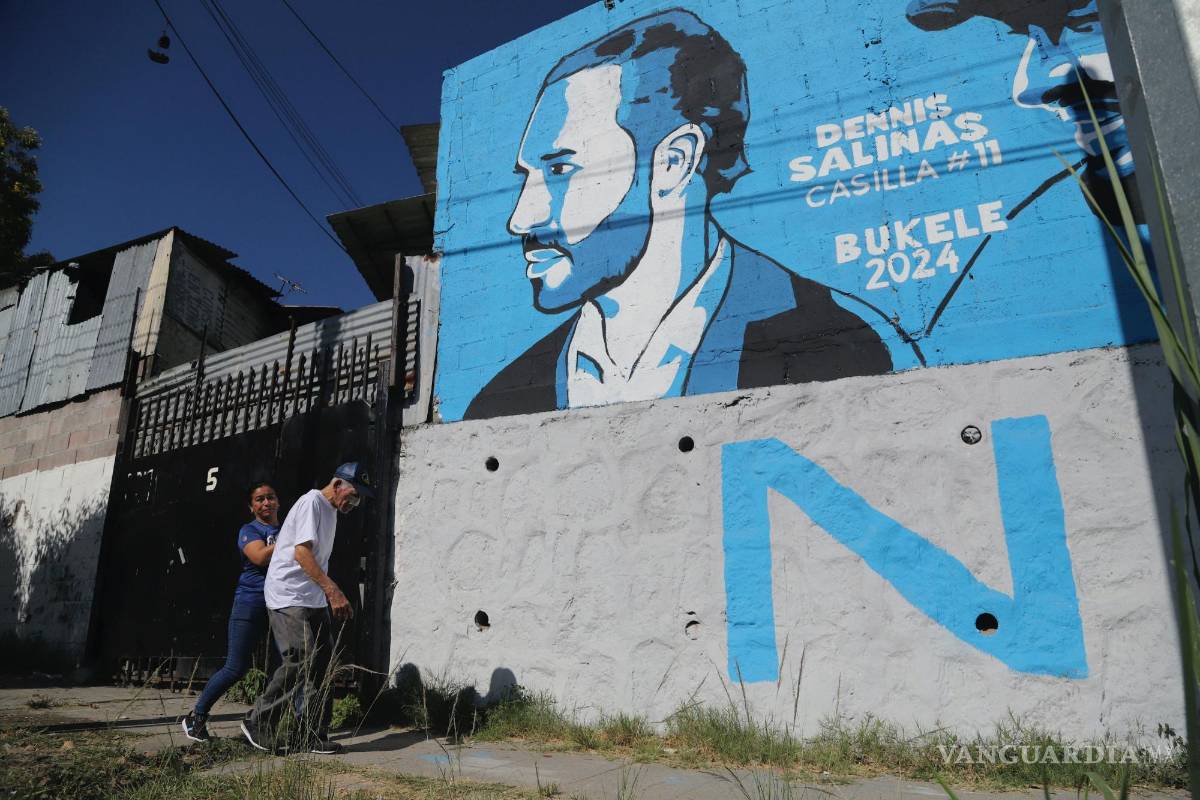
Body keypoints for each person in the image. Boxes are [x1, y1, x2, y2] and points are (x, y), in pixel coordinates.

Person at [465, 9, 900, 421]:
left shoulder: (838, 339)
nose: (521, 219)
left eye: (560, 170)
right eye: (528, 175)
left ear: (674, 162)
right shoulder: (496, 404)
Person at [239, 462, 373, 755]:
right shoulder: (312, 502)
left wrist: (323, 594)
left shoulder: (332, 511)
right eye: (353, 494)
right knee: (301, 658)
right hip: (288, 595)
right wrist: (333, 590)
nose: (355, 502)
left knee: (322, 664)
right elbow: (302, 553)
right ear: (338, 485)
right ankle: (258, 720)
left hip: (310, 598)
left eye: (360, 498)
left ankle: (310, 734)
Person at [181, 481, 281, 742]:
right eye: (259, 499)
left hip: (281, 602)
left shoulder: (285, 530)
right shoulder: (249, 530)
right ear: (252, 506)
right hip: (250, 601)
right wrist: (292, 541)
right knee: (236, 667)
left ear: (278, 502)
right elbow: (259, 557)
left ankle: (261, 720)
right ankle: (196, 717)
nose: (266, 503)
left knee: (284, 666)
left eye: (270, 497)